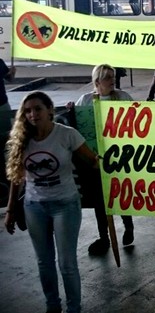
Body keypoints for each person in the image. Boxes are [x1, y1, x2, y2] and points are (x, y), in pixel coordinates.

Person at [4, 91, 99, 313]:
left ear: (50, 110)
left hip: (65, 204)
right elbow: (16, 179)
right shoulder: (22, 140)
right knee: (44, 263)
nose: (32, 114)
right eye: (27, 111)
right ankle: (52, 306)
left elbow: (92, 160)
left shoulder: (67, 134)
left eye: (37, 109)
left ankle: (74, 308)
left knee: (67, 264)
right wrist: (10, 210)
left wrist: (106, 163)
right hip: (34, 206)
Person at [71, 64, 135, 255]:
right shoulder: (85, 100)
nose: (111, 80)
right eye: (107, 77)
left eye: (112, 77)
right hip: (95, 159)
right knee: (100, 200)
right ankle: (104, 236)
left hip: (119, 157)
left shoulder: (123, 97)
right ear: (97, 81)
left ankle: (128, 226)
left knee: (120, 193)